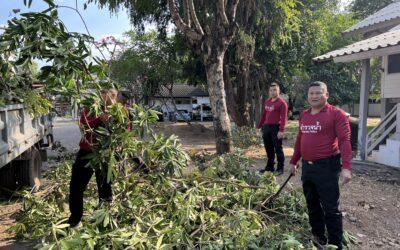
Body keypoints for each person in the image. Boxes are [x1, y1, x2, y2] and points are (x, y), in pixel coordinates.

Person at [289, 81, 352, 250]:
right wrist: (294, 161)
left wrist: (346, 167)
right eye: (311, 93)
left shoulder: (336, 114)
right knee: (312, 204)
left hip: (327, 167)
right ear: (308, 96)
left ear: (327, 95)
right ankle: (319, 237)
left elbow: (345, 140)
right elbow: (300, 139)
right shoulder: (304, 115)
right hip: (308, 168)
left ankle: (335, 244)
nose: (315, 96)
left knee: (331, 208)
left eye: (319, 93)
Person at [68, 88, 118, 227]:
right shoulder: (90, 107)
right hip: (87, 152)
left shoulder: (119, 111)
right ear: (102, 95)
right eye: (109, 94)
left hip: (106, 155)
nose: (112, 97)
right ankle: (75, 220)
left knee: (105, 187)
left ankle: (104, 219)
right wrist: (99, 119)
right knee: (76, 186)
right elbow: (84, 125)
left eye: (114, 95)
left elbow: (127, 129)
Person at [257, 83, 288, 175]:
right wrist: (259, 126)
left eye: (275, 90)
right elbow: (264, 115)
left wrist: (281, 130)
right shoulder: (267, 102)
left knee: (278, 148)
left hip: (276, 128)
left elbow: (283, 118)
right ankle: (269, 167)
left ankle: (280, 168)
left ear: (278, 91)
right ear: (269, 92)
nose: (273, 92)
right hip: (266, 127)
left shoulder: (282, 103)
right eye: (271, 90)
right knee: (268, 148)